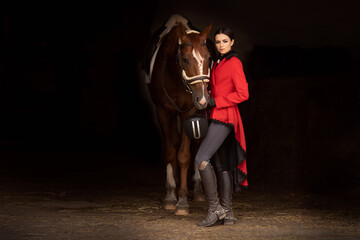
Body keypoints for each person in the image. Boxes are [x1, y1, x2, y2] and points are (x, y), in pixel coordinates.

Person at [196, 27, 249, 227]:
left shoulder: (234, 62)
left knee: (201, 158)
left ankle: (214, 209)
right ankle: (228, 212)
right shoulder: (217, 62)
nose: (220, 45)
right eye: (217, 42)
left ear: (232, 42)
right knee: (221, 165)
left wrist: (216, 102)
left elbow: (244, 94)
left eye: (225, 41)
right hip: (216, 115)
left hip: (225, 116)